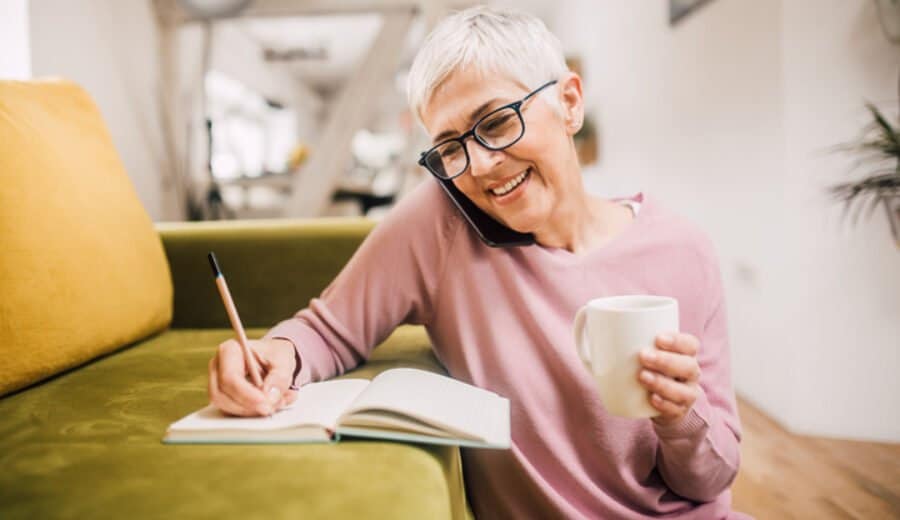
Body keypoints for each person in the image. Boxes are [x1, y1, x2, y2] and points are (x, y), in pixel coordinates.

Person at [207, 6, 744, 519]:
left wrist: (679, 417)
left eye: (496, 122)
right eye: (450, 146)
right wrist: (274, 353)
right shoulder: (441, 223)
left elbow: (709, 481)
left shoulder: (682, 251)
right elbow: (329, 329)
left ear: (570, 103)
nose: (481, 165)